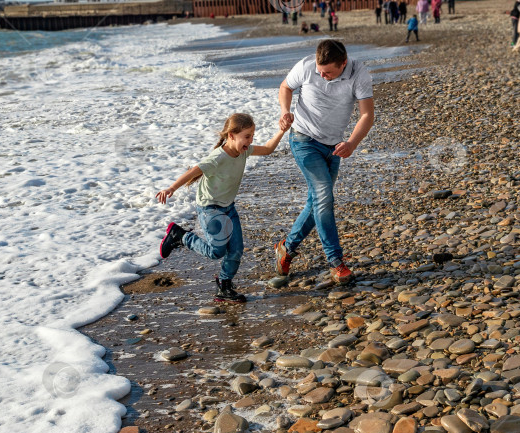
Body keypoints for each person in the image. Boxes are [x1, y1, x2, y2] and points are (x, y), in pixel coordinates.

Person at [157, 113, 290, 303]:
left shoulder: (244, 150)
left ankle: (224, 286)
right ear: (231, 136)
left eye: (252, 135)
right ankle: (180, 236)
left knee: (236, 250)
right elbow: (193, 171)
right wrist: (171, 188)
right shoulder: (218, 157)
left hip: (228, 207)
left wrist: (281, 131)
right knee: (216, 251)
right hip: (210, 208)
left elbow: (268, 149)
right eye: (247, 136)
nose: (250, 140)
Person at [275, 40, 375, 285]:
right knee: (323, 196)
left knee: (317, 200)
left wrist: (351, 144)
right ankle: (336, 262)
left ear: (343, 63)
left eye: (328, 72)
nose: (322, 75)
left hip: (334, 147)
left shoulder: (359, 74)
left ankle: (286, 248)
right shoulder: (307, 66)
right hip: (303, 139)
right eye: (320, 71)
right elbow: (285, 87)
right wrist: (285, 110)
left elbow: (367, 114)